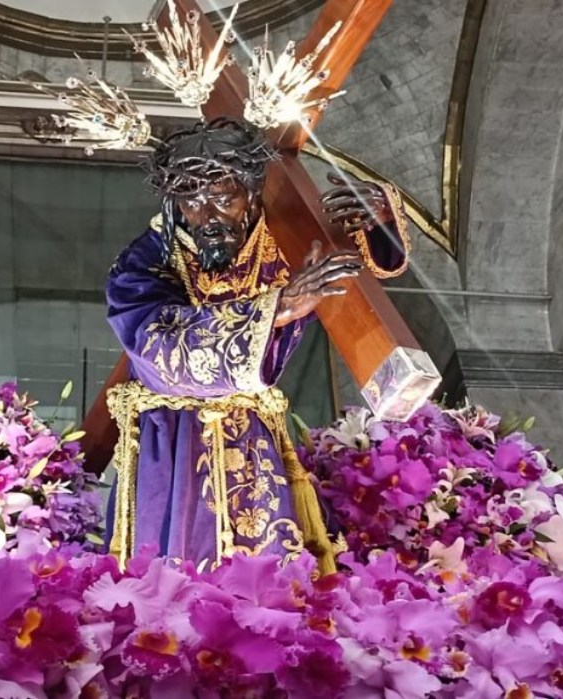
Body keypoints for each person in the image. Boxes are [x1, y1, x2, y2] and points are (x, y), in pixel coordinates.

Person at [104, 117, 412, 572]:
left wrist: (379, 217)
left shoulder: (284, 236)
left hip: (251, 432)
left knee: (267, 561)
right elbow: (155, 342)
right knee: (173, 564)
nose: (207, 216)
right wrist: (279, 308)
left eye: (223, 198)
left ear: (251, 192)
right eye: (190, 200)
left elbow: (361, 258)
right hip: (171, 437)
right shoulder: (149, 257)